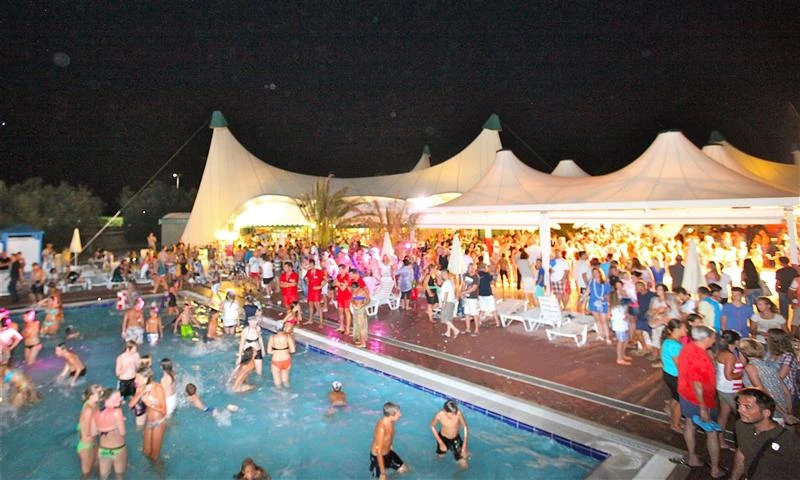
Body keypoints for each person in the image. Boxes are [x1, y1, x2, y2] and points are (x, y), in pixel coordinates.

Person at [673, 325, 723, 478]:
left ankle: (692, 456)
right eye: (713, 337)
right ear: (705, 338)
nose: (715, 339)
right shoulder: (700, 357)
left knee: (689, 423)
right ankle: (715, 469)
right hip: (701, 401)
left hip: (685, 393)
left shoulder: (687, 347)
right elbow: (698, 384)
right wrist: (703, 408)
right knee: (712, 431)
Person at [730, 387, 800, 479]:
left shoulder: (788, 441)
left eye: (747, 407)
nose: (739, 410)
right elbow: (742, 452)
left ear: (766, 413)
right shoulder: (741, 425)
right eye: (739, 405)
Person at [740, 339, 793, 423]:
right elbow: (786, 391)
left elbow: (762, 391)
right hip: (781, 407)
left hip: (768, 411)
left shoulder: (750, 367)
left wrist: (783, 414)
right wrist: (788, 410)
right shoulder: (769, 364)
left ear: (743, 353)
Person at [130, 367, 167, 462]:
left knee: (154, 456)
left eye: (137, 378)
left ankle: (160, 473)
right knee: (145, 452)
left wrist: (149, 403)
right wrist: (142, 392)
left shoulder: (157, 388)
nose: (135, 380)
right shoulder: (140, 388)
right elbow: (131, 404)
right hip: (148, 422)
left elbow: (164, 410)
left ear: (145, 378)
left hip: (158, 422)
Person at [93, 389, 128, 480]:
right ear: (107, 400)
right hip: (117, 449)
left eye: (120, 397)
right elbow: (123, 432)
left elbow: (93, 432)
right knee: (119, 475)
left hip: (103, 449)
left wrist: (105, 428)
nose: (120, 399)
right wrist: (117, 423)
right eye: (116, 398)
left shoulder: (96, 412)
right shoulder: (117, 412)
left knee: (103, 476)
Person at [716, 330, 745, 432]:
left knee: (723, 415)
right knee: (741, 417)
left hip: (722, 388)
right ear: (736, 341)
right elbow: (729, 376)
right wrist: (742, 374)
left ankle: (720, 440)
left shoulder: (723, 352)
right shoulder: (730, 356)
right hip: (730, 390)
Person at [370, 402, 409, 479]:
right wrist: (382, 473)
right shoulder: (381, 428)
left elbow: (389, 436)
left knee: (405, 470)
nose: (400, 415)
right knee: (383, 477)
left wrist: (390, 445)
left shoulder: (391, 422)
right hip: (378, 456)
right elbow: (379, 451)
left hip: (388, 452)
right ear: (392, 415)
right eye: (398, 413)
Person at [660, 319, 686, 432]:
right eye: (684, 328)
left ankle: (673, 418)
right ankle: (675, 424)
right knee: (680, 401)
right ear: (677, 330)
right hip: (676, 376)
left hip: (668, 373)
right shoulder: (675, 345)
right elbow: (680, 365)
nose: (686, 330)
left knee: (675, 398)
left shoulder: (668, 341)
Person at [430, 400, 469, 469]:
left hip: (455, 439)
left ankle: (457, 475)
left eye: (455, 412)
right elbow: (432, 426)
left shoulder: (458, 413)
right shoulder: (440, 415)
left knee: (464, 464)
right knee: (440, 457)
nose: (454, 414)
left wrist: (464, 445)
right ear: (445, 411)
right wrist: (441, 443)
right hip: (443, 438)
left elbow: (465, 427)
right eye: (452, 413)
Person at [77, 384, 103, 480]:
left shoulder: (94, 404)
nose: (102, 394)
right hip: (86, 446)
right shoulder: (88, 409)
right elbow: (88, 432)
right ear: (91, 396)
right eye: (99, 393)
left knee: (98, 464)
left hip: (93, 443)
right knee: (86, 474)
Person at [267, 323, 296, 388]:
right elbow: (293, 350)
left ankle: (280, 396)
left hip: (276, 360)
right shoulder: (288, 336)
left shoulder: (272, 337)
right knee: (286, 382)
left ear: (276, 329)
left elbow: (269, 351)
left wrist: (277, 351)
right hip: (286, 359)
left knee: (278, 384)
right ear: (283, 328)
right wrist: (285, 350)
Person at [438, 270, 461, 339]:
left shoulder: (447, 283)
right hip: (451, 301)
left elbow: (446, 293)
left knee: (444, 318)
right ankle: (448, 332)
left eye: (442, 274)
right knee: (449, 318)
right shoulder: (450, 282)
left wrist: (444, 303)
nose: (442, 275)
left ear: (446, 274)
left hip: (447, 301)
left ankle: (455, 330)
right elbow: (440, 283)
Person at [461, 263, 480, 335]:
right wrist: (461, 292)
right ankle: (468, 328)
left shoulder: (476, 277)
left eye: (470, 268)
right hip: (467, 297)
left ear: (473, 269)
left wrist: (463, 292)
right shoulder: (466, 275)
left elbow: (473, 288)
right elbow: (464, 284)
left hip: (473, 298)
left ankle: (477, 330)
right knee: (467, 313)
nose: (469, 269)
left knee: (474, 314)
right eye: (468, 268)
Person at [351, 281, 371, 348]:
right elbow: (352, 299)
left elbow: (368, 300)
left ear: (358, 287)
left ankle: (363, 343)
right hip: (355, 309)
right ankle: (359, 339)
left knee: (361, 326)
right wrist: (353, 304)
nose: (354, 290)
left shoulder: (363, 292)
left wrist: (362, 305)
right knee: (357, 325)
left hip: (361, 310)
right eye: (353, 288)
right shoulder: (353, 291)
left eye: (355, 288)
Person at [335, 264, 353, 334]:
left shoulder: (347, 277)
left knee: (347, 312)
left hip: (346, 297)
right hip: (340, 296)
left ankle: (348, 329)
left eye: (340, 269)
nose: (339, 271)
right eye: (339, 269)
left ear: (344, 269)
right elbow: (334, 283)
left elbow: (343, 288)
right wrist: (340, 284)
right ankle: (341, 326)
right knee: (340, 312)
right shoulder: (338, 276)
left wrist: (338, 284)